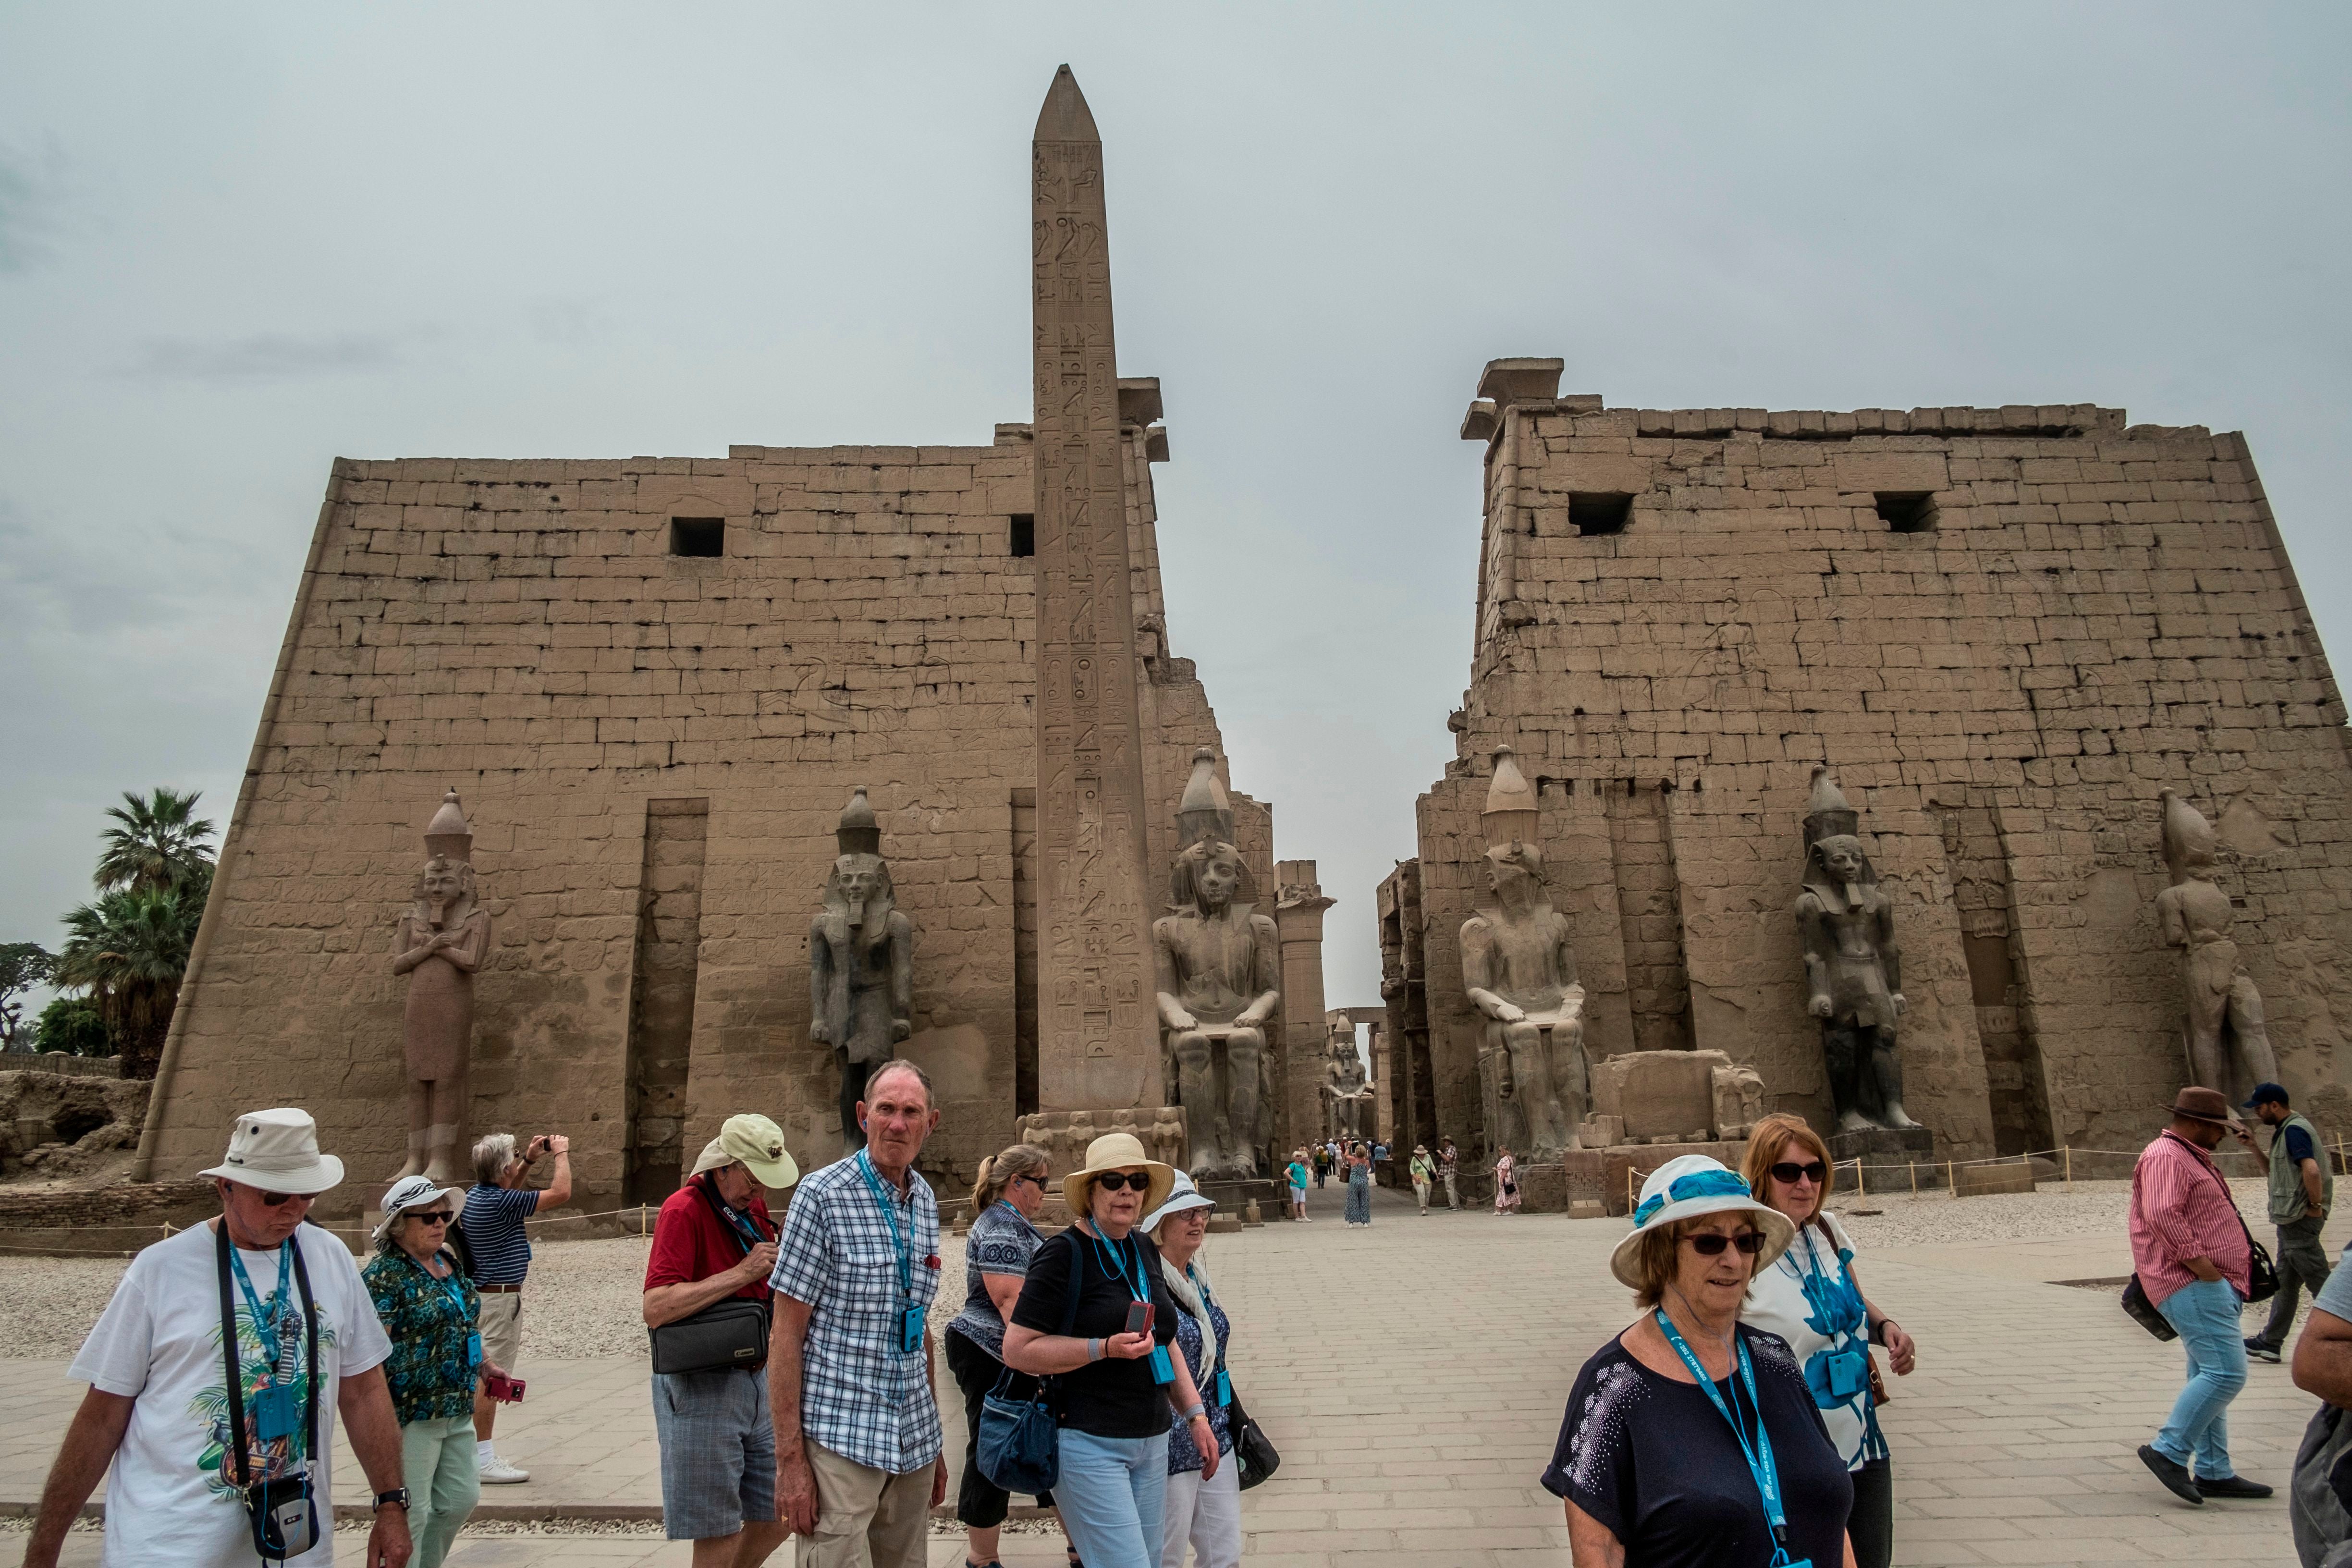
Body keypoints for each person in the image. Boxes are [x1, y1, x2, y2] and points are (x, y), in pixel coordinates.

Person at [24, 1107, 412, 1568]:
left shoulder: (330, 1258)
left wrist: (391, 1503)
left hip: (293, 1541)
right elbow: (103, 1415)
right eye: (275, 1197)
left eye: (307, 1194)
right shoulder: (160, 1270)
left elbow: (365, 1388)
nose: (294, 1210)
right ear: (225, 1187)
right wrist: (44, 1548)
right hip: (169, 1546)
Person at [1543, 1155, 1855, 1568]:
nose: (1733, 1260)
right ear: (1661, 1255)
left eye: (1746, 1241)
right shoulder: (1612, 1388)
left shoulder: (1776, 1359)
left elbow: (1831, 1518)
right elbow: (1597, 1551)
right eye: (1710, 1242)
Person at [1003, 1132, 1220, 1568]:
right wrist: (1101, 1348)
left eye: (1137, 1181)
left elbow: (1165, 1339)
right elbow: (1018, 1349)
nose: (1127, 1191)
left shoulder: (1142, 1247)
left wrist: (1195, 1415)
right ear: (1091, 1191)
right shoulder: (1061, 1254)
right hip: (1088, 1439)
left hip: (1151, 1437)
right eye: (1113, 1181)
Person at [770, 1062, 948, 1568]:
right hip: (842, 1438)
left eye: (911, 1112)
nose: (898, 1124)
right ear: (863, 1115)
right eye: (886, 1110)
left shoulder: (925, 1200)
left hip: (911, 1438)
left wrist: (933, 1441)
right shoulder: (821, 1195)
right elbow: (785, 1336)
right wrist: (790, 1462)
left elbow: (921, 1327)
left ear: (930, 1123)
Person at [1740, 1115, 1915, 1568]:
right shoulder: (1744, 1246)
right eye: (1789, 1172)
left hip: (1862, 1436)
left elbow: (1853, 1297)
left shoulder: (1827, 1230)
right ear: (1763, 1176)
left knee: (1874, 1558)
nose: (1805, 1183)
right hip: (1796, 1447)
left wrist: (1885, 1328)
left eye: (1815, 1170)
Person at [644, 1113, 798, 1568]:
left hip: (757, 1373)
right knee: (717, 1526)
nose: (759, 1192)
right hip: (702, 1383)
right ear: (723, 1167)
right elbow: (656, 1307)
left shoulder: (749, 1207)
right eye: (752, 1179)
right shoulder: (683, 1209)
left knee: (782, 1508)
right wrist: (742, 1273)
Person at [2130, 1086, 2272, 1504]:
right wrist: (2202, 1267)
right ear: (2195, 1123)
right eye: (2218, 1128)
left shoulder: (2183, 1154)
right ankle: (2168, 1451)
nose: (2223, 1135)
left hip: (2204, 1281)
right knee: (2227, 1373)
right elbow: (2161, 1213)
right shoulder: (2166, 1156)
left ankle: (2214, 1469)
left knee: (2207, 1373)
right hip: (2191, 1281)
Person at [944, 1142, 1075, 1568]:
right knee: (993, 1447)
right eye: (1041, 1183)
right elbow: (1011, 1304)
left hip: (1008, 1349)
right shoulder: (1001, 1226)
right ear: (1016, 1183)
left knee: (1038, 1440)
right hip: (990, 1349)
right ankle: (981, 1560)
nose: (1044, 1192)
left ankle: (1079, 1549)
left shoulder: (1013, 1223)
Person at [366, 1175, 503, 1568]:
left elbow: (464, 1325)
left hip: (457, 1405)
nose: (440, 1223)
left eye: (444, 1215)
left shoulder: (447, 1261)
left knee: (460, 1500)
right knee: (414, 1512)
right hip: (411, 1412)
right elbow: (371, 1352)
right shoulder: (384, 1276)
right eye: (427, 1217)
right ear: (398, 1224)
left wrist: (487, 1366)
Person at [462, 1128, 572, 1483]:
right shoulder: (500, 1202)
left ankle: (471, 1455)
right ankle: (483, 1459)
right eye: (511, 1160)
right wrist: (561, 1155)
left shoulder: (476, 1197)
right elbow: (562, 1193)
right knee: (490, 1380)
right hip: (499, 1301)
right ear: (503, 1170)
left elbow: (507, 1189)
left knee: (478, 1375)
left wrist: (527, 1160)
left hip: (484, 1297)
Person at [1144, 1174, 1239, 1568]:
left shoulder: (1196, 1278)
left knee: (1225, 1553)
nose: (1197, 1220)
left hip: (1215, 1429)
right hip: (1170, 1439)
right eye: (1184, 1213)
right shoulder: (1148, 1284)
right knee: (1165, 1556)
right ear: (1159, 1224)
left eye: (1200, 1211)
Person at [2238, 1082, 2333, 1365]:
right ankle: (2271, 1342)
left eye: (2259, 1107)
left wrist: (2315, 1206)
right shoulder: (2285, 1131)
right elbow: (2274, 1173)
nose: (2257, 1113)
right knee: (2286, 1284)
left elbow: (2312, 1170)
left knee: (2322, 1283)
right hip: (2292, 1219)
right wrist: (2254, 1147)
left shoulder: (2294, 1130)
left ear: (2275, 1106)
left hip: (2299, 1220)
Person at [1344, 1141, 1373, 1226]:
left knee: (1352, 1201)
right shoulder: (1367, 1161)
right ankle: (1365, 1222)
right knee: (1364, 1201)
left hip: (1354, 1182)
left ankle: (1351, 1222)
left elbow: (1345, 1156)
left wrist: (1349, 1146)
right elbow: (1368, 1169)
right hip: (1364, 1182)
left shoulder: (1354, 1160)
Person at [1284, 1149, 1311, 1222]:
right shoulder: (1293, 1165)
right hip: (1295, 1186)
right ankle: (1297, 1217)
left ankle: (1304, 1216)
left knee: (1303, 1201)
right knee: (1296, 1201)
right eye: (1297, 1156)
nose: (1299, 1157)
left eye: (1300, 1156)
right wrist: (1292, 1180)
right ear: (1294, 1157)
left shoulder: (1301, 1165)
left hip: (1302, 1185)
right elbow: (1286, 1173)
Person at [1409, 1145, 1436, 1216]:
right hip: (1418, 1178)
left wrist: (1436, 1174)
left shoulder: (1428, 1157)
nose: (1421, 1154)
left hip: (1427, 1178)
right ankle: (1423, 1208)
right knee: (1421, 1193)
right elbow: (1411, 1169)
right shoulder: (1414, 1159)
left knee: (1427, 1194)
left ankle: (1425, 1208)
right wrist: (1415, 1177)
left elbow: (1432, 1166)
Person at [1494, 1147, 1521, 1216]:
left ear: (1504, 1151)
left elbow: (1506, 1169)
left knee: (1508, 1194)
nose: (1499, 1152)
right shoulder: (1506, 1158)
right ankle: (1499, 1210)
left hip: (1507, 1180)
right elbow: (1502, 1169)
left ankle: (1509, 1210)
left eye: (1500, 1151)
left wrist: (1501, 1178)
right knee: (1503, 1194)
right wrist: (1497, 1170)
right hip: (1506, 1179)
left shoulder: (1506, 1158)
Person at [1439, 1138, 1461, 1212]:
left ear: (1448, 1142)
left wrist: (1441, 1153)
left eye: (1445, 1142)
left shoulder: (1451, 1149)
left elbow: (1448, 1159)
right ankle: (1456, 1204)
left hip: (1449, 1171)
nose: (1444, 1143)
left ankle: (1453, 1205)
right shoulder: (1449, 1149)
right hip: (1450, 1171)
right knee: (1452, 1188)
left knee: (1450, 1189)